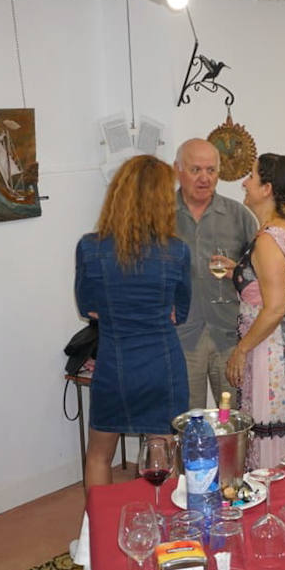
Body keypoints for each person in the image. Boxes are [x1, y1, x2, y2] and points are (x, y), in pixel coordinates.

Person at [75, 155, 191, 487]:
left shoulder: (89, 248)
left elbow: (89, 308)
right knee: (162, 457)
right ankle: (162, 532)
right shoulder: (177, 251)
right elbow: (179, 312)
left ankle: (97, 533)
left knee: (99, 455)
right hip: (162, 366)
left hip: (115, 365)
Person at [225, 154, 285, 469]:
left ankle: (271, 489)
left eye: (250, 176)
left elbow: (274, 307)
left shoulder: (268, 240)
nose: (244, 183)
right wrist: (237, 271)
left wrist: (241, 349)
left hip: (273, 345)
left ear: (267, 188)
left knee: (272, 418)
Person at [174, 139, 256, 410]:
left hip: (230, 336)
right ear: (178, 170)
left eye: (211, 170)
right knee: (186, 422)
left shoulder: (238, 216)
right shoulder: (159, 215)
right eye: (196, 170)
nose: (204, 178)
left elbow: (263, 275)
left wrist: (239, 272)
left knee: (235, 420)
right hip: (182, 337)